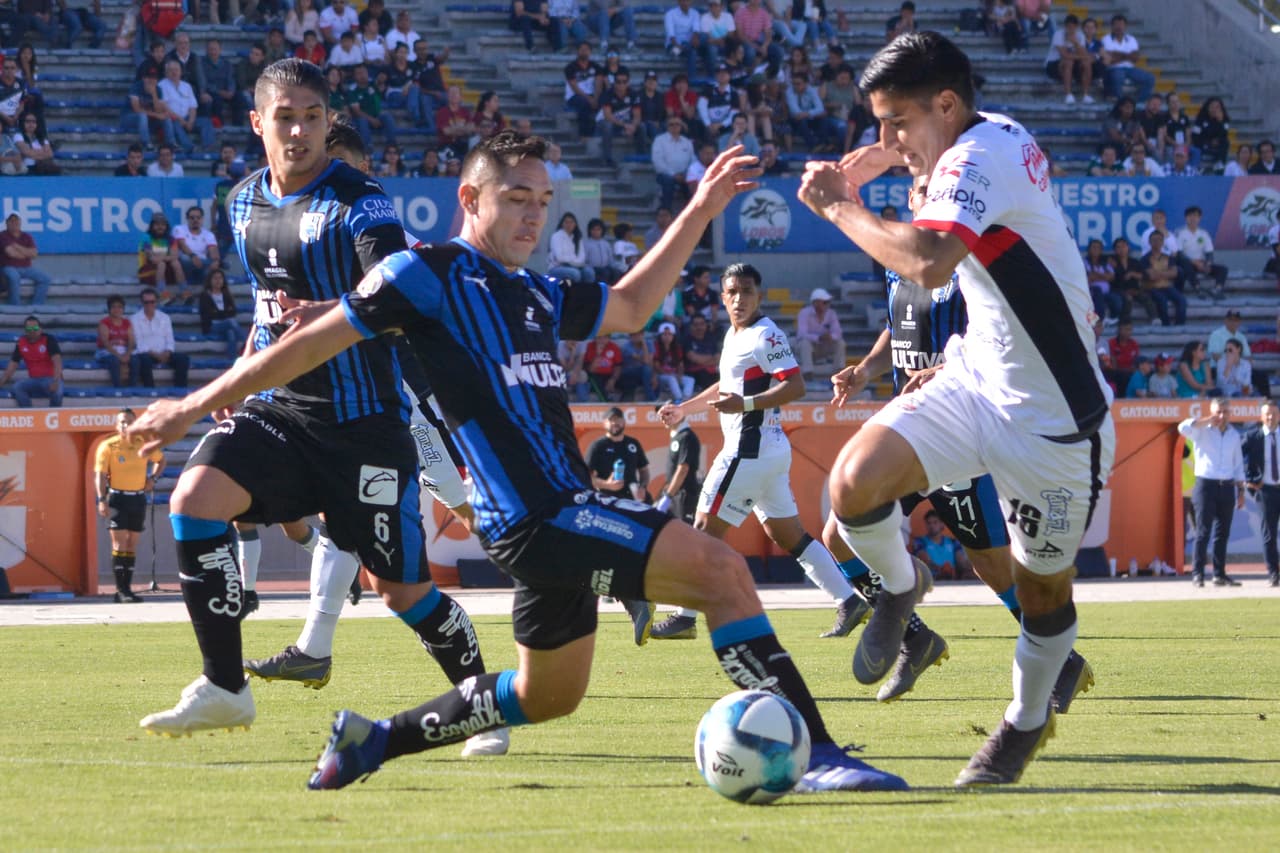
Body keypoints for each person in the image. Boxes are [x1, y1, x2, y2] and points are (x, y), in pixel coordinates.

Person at [128, 130, 907, 794]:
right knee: (723, 572)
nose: (533, 214)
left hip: (555, 512)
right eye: (515, 199)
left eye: (542, 200)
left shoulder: (532, 289)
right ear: (471, 201)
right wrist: (191, 409)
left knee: (546, 694)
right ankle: (817, 752)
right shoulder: (424, 274)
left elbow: (633, 308)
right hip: (539, 513)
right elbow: (304, 343)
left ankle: (371, 741)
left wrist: (700, 209)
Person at [123, 60, 506, 758]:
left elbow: (398, 295)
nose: (298, 130)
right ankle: (224, 684)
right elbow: (267, 319)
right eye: (285, 116)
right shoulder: (241, 204)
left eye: (312, 117)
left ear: (330, 123)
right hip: (280, 412)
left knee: (404, 592)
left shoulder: (362, 202)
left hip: (364, 428)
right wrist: (238, 382)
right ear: (257, 123)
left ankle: (481, 699)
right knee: (193, 499)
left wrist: (330, 310)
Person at [798, 32, 1113, 786]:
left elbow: (928, 261)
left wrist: (842, 206)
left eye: (897, 122)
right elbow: (941, 167)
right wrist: (888, 154)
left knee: (1042, 595)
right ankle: (903, 588)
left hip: (1053, 419)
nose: (888, 140)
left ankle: (1023, 724)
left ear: (945, 105)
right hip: (973, 381)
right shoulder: (986, 132)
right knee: (852, 486)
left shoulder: (978, 160)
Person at [654, 263, 864, 641]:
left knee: (703, 528)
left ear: (759, 295)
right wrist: (685, 409)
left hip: (748, 449)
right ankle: (848, 600)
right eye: (732, 292)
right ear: (722, 298)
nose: (739, 299)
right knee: (789, 535)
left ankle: (685, 616)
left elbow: (795, 385)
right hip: (767, 449)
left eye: (747, 291)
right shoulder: (736, 336)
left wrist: (747, 404)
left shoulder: (765, 335)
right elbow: (726, 387)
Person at [94, 408, 164, 602]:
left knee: (132, 543)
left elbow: (160, 460)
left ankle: (127, 589)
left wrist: (153, 479)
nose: (125, 425)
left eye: (129, 421)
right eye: (122, 422)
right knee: (119, 542)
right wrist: (101, 499)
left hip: (138, 498)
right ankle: (121, 589)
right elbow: (99, 474)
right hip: (117, 498)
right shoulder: (109, 446)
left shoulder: (143, 444)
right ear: (117, 425)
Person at [1179, 394, 1245, 588]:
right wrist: (1205, 421)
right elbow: (1182, 428)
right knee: (1203, 531)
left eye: (1225, 412)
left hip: (1226, 486)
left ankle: (1219, 574)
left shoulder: (1234, 434)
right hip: (1205, 485)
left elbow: (1238, 465)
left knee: (1222, 533)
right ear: (1212, 412)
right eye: (1218, 412)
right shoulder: (1202, 431)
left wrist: (1241, 491)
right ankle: (1198, 573)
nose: (1222, 416)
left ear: (1230, 413)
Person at [1243, 398, 1280, 587]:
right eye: (1267, 414)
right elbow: (1234, 456)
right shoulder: (1253, 437)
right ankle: (1274, 574)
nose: (1271, 417)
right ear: (1261, 416)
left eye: (1274, 413)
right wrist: (1247, 479)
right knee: (1269, 534)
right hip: (1265, 490)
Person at [131, 287, 190, 388]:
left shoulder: (165, 317)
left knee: (183, 359)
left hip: (164, 353)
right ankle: (150, 391)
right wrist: (155, 354)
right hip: (147, 354)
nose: (149, 304)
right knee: (143, 360)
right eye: (146, 302)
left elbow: (170, 339)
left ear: (156, 302)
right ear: (142, 302)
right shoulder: (134, 319)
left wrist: (167, 352)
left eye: (152, 302)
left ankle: (180, 391)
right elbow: (138, 342)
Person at [0, 314, 61, 406]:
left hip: (50, 379)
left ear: (40, 329)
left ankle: (56, 416)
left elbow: (57, 361)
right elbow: (12, 367)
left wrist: (56, 381)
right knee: (17, 387)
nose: (32, 331)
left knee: (57, 391)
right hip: (34, 381)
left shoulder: (49, 339)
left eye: (35, 328)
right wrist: (1, 382)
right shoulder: (21, 343)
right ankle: (29, 414)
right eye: (29, 329)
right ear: (25, 331)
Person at [136, 210, 190, 304]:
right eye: (157, 224)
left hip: (165, 273)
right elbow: (151, 258)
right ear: (152, 226)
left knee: (176, 263)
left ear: (166, 226)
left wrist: (160, 256)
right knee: (161, 264)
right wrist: (166, 256)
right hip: (146, 273)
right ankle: (162, 295)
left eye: (163, 224)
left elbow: (175, 256)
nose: (160, 227)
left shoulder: (171, 239)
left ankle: (185, 292)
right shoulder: (146, 237)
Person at [0, 212, 51, 305]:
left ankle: (36, 306)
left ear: (20, 223)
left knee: (45, 279)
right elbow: (11, 253)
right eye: (11, 221)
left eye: (16, 221)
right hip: (8, 267)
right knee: (14, 277)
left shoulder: (27, 236)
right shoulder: (2, 235)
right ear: (7, 223)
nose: (14, 224)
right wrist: (27, 253)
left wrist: (17, 246)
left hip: (27, 267)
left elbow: (34, 254)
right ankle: (15, 307)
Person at [1099, 14, 1153, 101]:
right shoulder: (1106, 39)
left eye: (1121, 25)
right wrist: (1127, 56)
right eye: (1116, 24)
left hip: (1130, 68)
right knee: (1118, 77)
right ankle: (1121, 102)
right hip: (1113, 68)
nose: (1119, 27)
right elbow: (1109, 59)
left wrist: (1117, 55)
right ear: (1112, 26)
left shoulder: (1131, 39)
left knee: (1150, 78)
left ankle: (1140, 103)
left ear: (1125, 26)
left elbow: (1135, 58)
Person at [794, 287, 845, 378]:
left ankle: (838, 371)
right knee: (804, 343)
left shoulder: (831, 313)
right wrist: (818, 338)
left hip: (824, 346)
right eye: (825, 302)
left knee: (840, 343)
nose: (827, 305)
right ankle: (808, 372)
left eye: (828, 302)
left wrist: (831, 337)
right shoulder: (804, 313)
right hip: (809, 347)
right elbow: (802, 334)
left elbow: (838, 332)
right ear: (815, 303)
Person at [198, 268, 244, 358]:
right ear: (210, 280)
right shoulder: (205, 295)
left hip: (225, 325)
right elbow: (208, 315)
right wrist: (225, 313)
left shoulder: (226, 294)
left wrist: (218, 313)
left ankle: (231, 360)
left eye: (220, 278)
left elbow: (233, 312)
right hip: (211, 326)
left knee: (231, 333)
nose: (218, 281)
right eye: (215, 278)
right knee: (230, 322)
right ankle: (245, 342)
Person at [913, 510, 971, 580]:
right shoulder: (920, 541)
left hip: (951, 580)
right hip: (931, 581)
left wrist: (968, 569)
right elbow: (924, 560)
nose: (932, 526)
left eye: (935, 522)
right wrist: (941, 570)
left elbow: (961, 561)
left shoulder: (953, 542)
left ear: (942, 524)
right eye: (928, 523)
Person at [172, 205, 220, 288]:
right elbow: (182, 245)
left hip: (202, 265)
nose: (195, 220)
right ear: (187, 219)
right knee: (185, 259)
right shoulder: (179, 229)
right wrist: (193, 256)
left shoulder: (208, 234)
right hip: (186, 263)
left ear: (202, 219)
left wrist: (216, 261)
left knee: (214, 265)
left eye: (198, 217)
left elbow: (213, 251)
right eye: (192, 218)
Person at [95, 294, 136, 387]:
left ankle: (133, 387)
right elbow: (105, 342)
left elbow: (131, 341)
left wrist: (127, 354)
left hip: (123, 350)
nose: (117, 309)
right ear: (109, 309)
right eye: (114, 307)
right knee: (114, 360)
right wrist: (119, 356)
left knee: (135, 360)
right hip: (106, 351)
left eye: (120, 307)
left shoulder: (127, 322)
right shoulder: (104, 322)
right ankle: (117, 387)